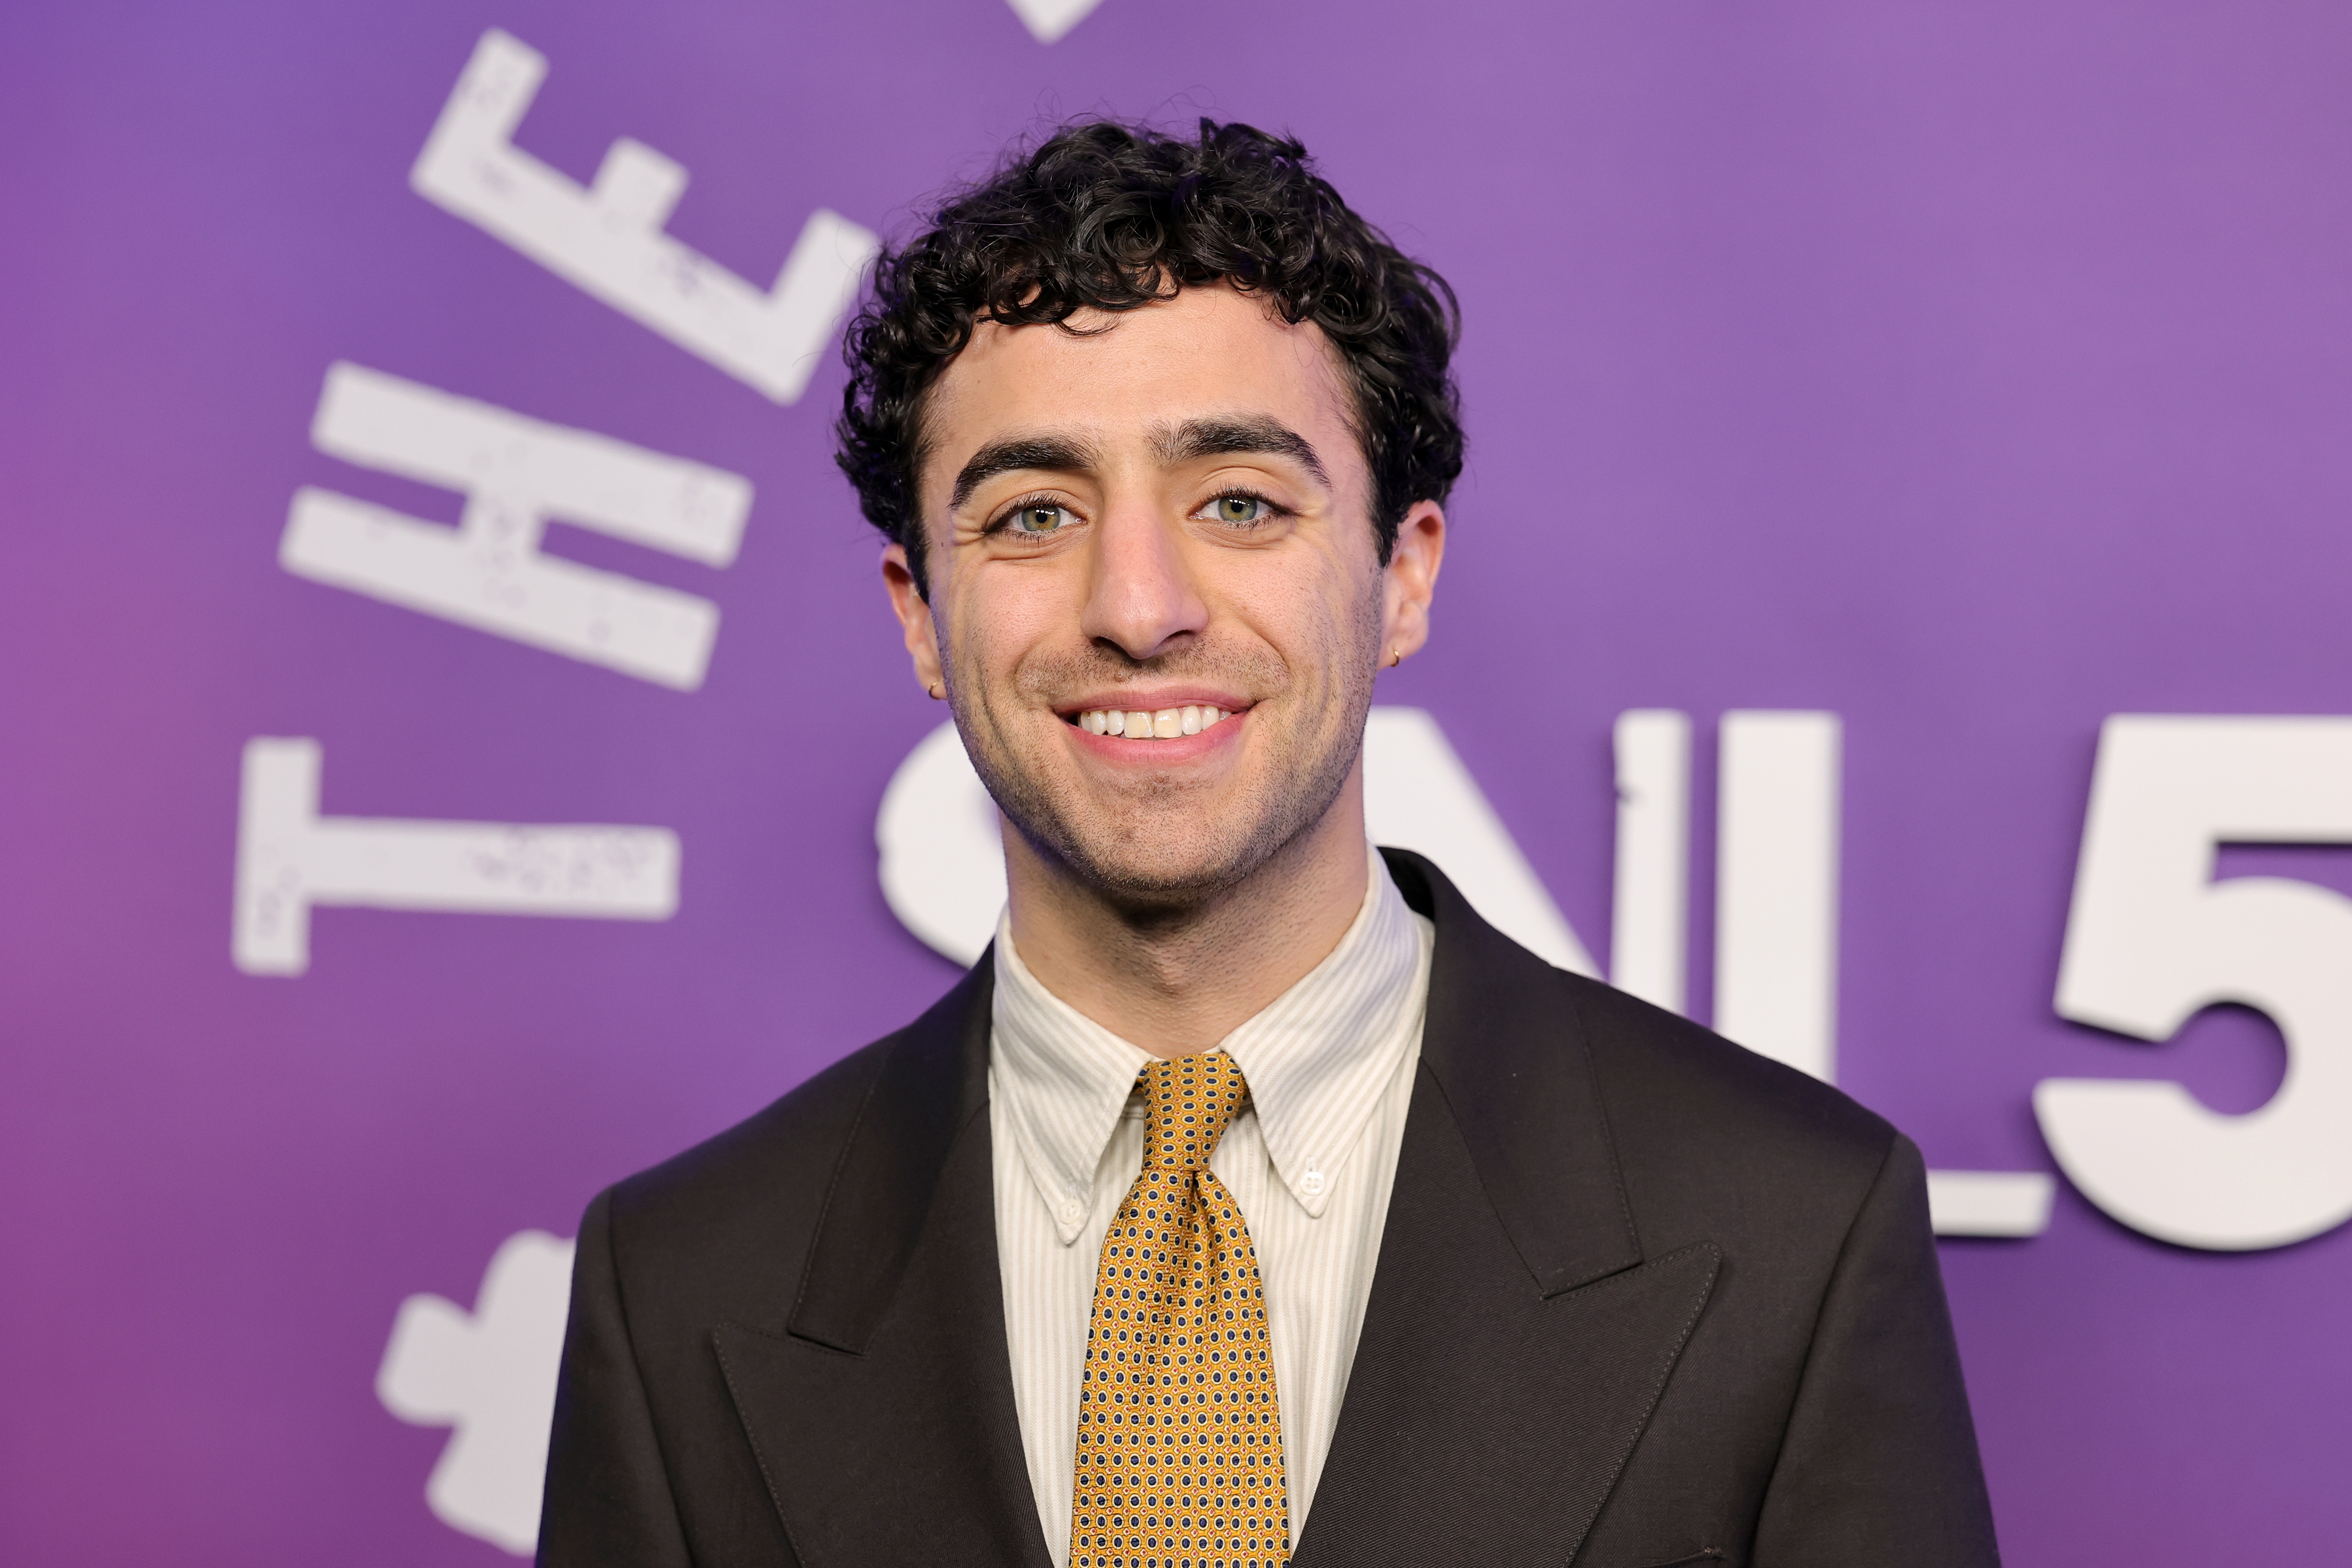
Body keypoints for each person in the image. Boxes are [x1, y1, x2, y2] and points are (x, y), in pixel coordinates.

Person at [538, 119, 2000, 1568]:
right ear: (921, 613)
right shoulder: (677, 1286)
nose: (1139, 603)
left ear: (1403, 575)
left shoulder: (1790, 1228)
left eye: (1239, 502)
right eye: (1034, 512)